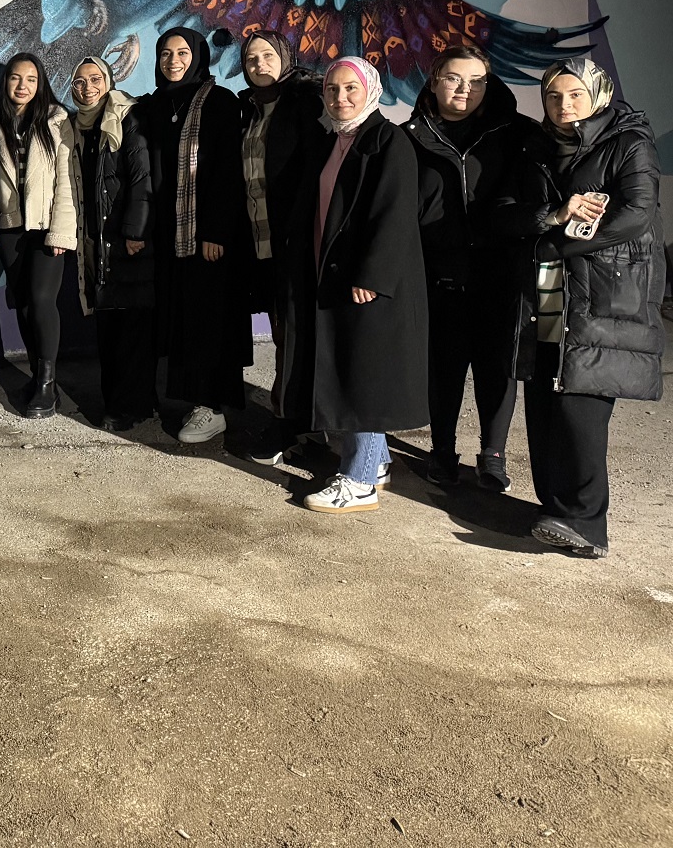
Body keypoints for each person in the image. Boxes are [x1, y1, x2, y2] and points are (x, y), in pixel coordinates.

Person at [491, 58, 663, 559]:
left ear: (598, 96)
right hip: (547, 287)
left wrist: (557, 245)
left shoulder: (629, 142)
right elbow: (505, 213)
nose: (563, 105)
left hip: (603, 291)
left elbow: (636, 215)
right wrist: (552, 215)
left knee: (581, 404)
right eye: (553, 96)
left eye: (575, 95)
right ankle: (554, 508)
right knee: (546, 392)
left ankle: (588, 523)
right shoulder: (536, 146)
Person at [277, 57, 428, 514]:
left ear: (370, 92)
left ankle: (359, 481)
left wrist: (372, 276)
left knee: (362, 379)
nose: (340, 98)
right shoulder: (334, 141)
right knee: (350, 370)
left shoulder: (389, 141)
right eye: (332, 89)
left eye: (350, 89)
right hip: (332, 277)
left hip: (366, 284)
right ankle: (375, 463)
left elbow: (394, 215)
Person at [405, 46, 540, 491]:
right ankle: (442, 452)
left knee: (496, 369)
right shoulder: (409, 137)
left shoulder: (517, 133)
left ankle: (493, 455)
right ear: (434, 80)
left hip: (500, 273)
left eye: (477, 81)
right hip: (439, 275)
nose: (465, 89)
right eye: (454, 79)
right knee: (443, 371)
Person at [138, 27, 251, 443]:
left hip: (206, 234)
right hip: (169, 233)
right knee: (184, 319)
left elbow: (227, 171)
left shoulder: (218, 102)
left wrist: (215, 231)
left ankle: (214, 406)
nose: (173, 61)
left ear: (199, 56)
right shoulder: (155, 105)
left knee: (209, 319)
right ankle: (192, 400)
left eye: (182, 53)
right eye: (165, 53)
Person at [238, 31, 323, 461]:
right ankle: (300, 420)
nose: (259, 64)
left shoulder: (305, 100)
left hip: (296, 241)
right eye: (251, 58)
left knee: (296, 336)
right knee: (282, 334)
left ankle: (288, 424)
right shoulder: (250, 109)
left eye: (268, 55)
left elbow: (313, 172)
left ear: (285, 57)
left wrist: (299, 232)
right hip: (262, 241)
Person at [68, 57, 155, 430]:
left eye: (95, 79)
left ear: (108, 82)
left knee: (131, 327)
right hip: (97, 240)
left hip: (125, 240)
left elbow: (141, 177)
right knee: (109, 326)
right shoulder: (77, 126)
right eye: (80, 81)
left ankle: (126, 408)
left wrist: (135, 232)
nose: (88, 87)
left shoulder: (127, 118)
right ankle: (121, 402)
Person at [0, 52, 78, 419]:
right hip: (10, 227)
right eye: (15, 78)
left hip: (46, 227)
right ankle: (37, 377)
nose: (22, 85)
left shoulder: (57, 120)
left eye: (31, 79)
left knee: (42, 300)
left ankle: (47, 383)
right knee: (24, 302)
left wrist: (61, 231)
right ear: (6, 82)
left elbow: (66, 182)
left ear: (40, 83)